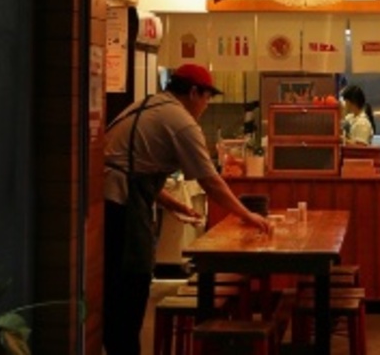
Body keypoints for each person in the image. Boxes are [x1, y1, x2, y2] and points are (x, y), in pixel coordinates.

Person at [102, 63, 271, 355]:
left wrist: (173, 203)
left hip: (107, 202)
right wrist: (248, 215)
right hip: (121, 208)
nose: (206, 105)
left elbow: (136, 167)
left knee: (116, 290)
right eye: (206, 98)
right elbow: (211, 182)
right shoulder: (181, 121)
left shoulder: (148, 103)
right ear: (194, 92)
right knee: (130, 288)